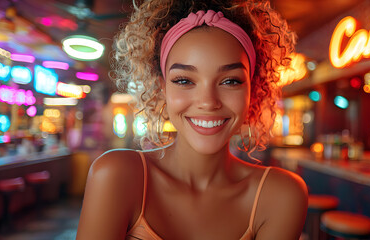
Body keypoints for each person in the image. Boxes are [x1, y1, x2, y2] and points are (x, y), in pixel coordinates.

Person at [77, 0, 308, 239]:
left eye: (230, 81)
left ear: (254, 90)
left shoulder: (281, 195)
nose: (208, 102)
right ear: (161, 89)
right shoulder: (116, 176)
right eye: (184, 80)